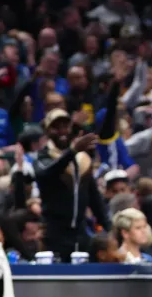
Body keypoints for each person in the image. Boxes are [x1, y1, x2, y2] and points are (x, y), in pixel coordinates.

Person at [32, 109, 106, 261]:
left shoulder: (82, 159)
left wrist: (108, 226)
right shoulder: (43, 157)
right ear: (47, 131)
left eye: (65, 126)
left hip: (80, 232)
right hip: (53, 233)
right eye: (56, 127)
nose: (62, 131)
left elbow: (93, 196)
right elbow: (47, 172)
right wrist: (72, 151)